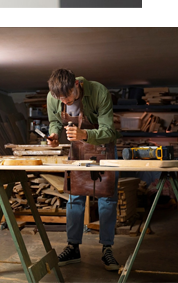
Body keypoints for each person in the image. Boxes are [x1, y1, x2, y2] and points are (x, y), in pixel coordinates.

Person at [46, 68, 119, 271]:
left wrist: (84, 134)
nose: (65, 102)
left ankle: (107, 249)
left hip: (103, 148)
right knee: (74, 198)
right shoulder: (54, 97)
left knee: (107, 198)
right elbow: (54, 121)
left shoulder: (98, 91)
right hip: (77, 150)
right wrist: (53, 135)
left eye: (68, 96)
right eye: (60, 98)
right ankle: (73, 247)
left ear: (76, 85)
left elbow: (109, 131)